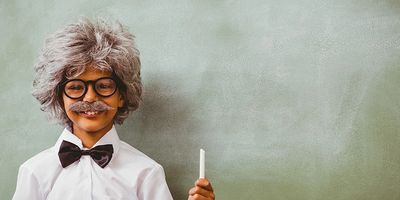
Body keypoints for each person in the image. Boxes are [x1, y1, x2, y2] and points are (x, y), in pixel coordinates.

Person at [12, 18, 215, 200]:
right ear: (58, 97)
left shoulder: (146, 173)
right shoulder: (34, 173)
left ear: (122, 95)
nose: (90, 97)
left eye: (104, 86)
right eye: (75, 87)